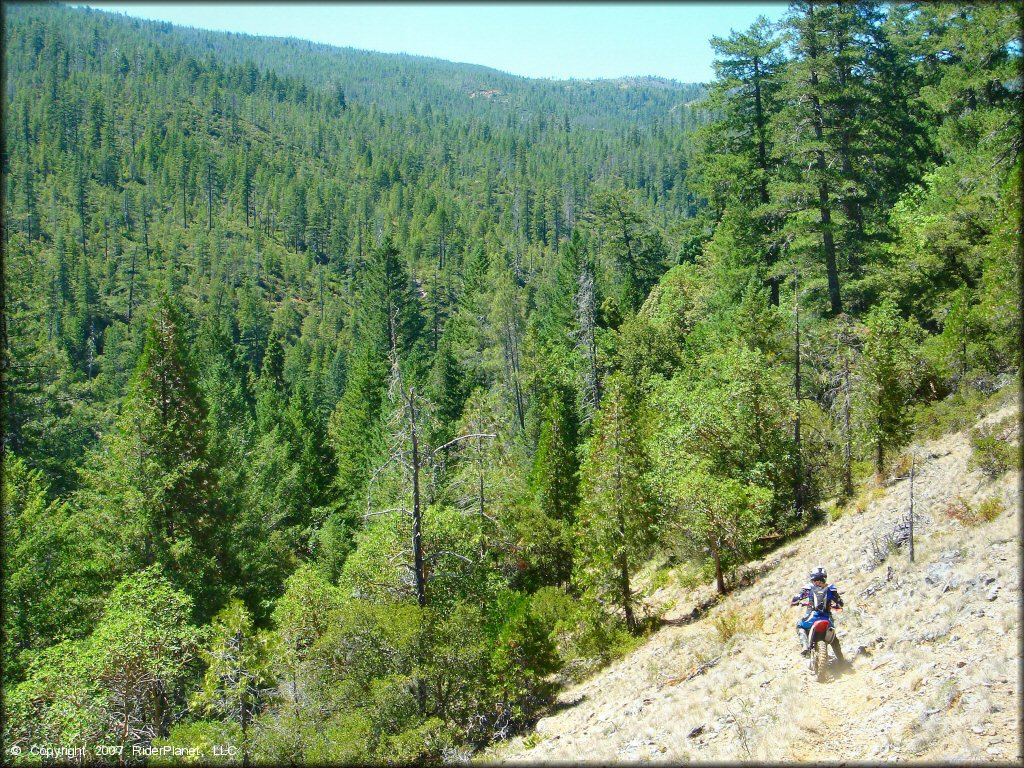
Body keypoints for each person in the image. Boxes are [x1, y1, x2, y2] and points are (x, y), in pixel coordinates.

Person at [790, 566, 845, 662]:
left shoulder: (809, 588)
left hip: (812, 618)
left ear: (813, 579)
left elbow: (796, 599)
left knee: (799, 625)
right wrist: (835, 607)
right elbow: (840, 604)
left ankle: (805, 647)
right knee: (834, 638)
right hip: (827, 619)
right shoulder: (831, 589)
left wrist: (794, 603)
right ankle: (841, 660)